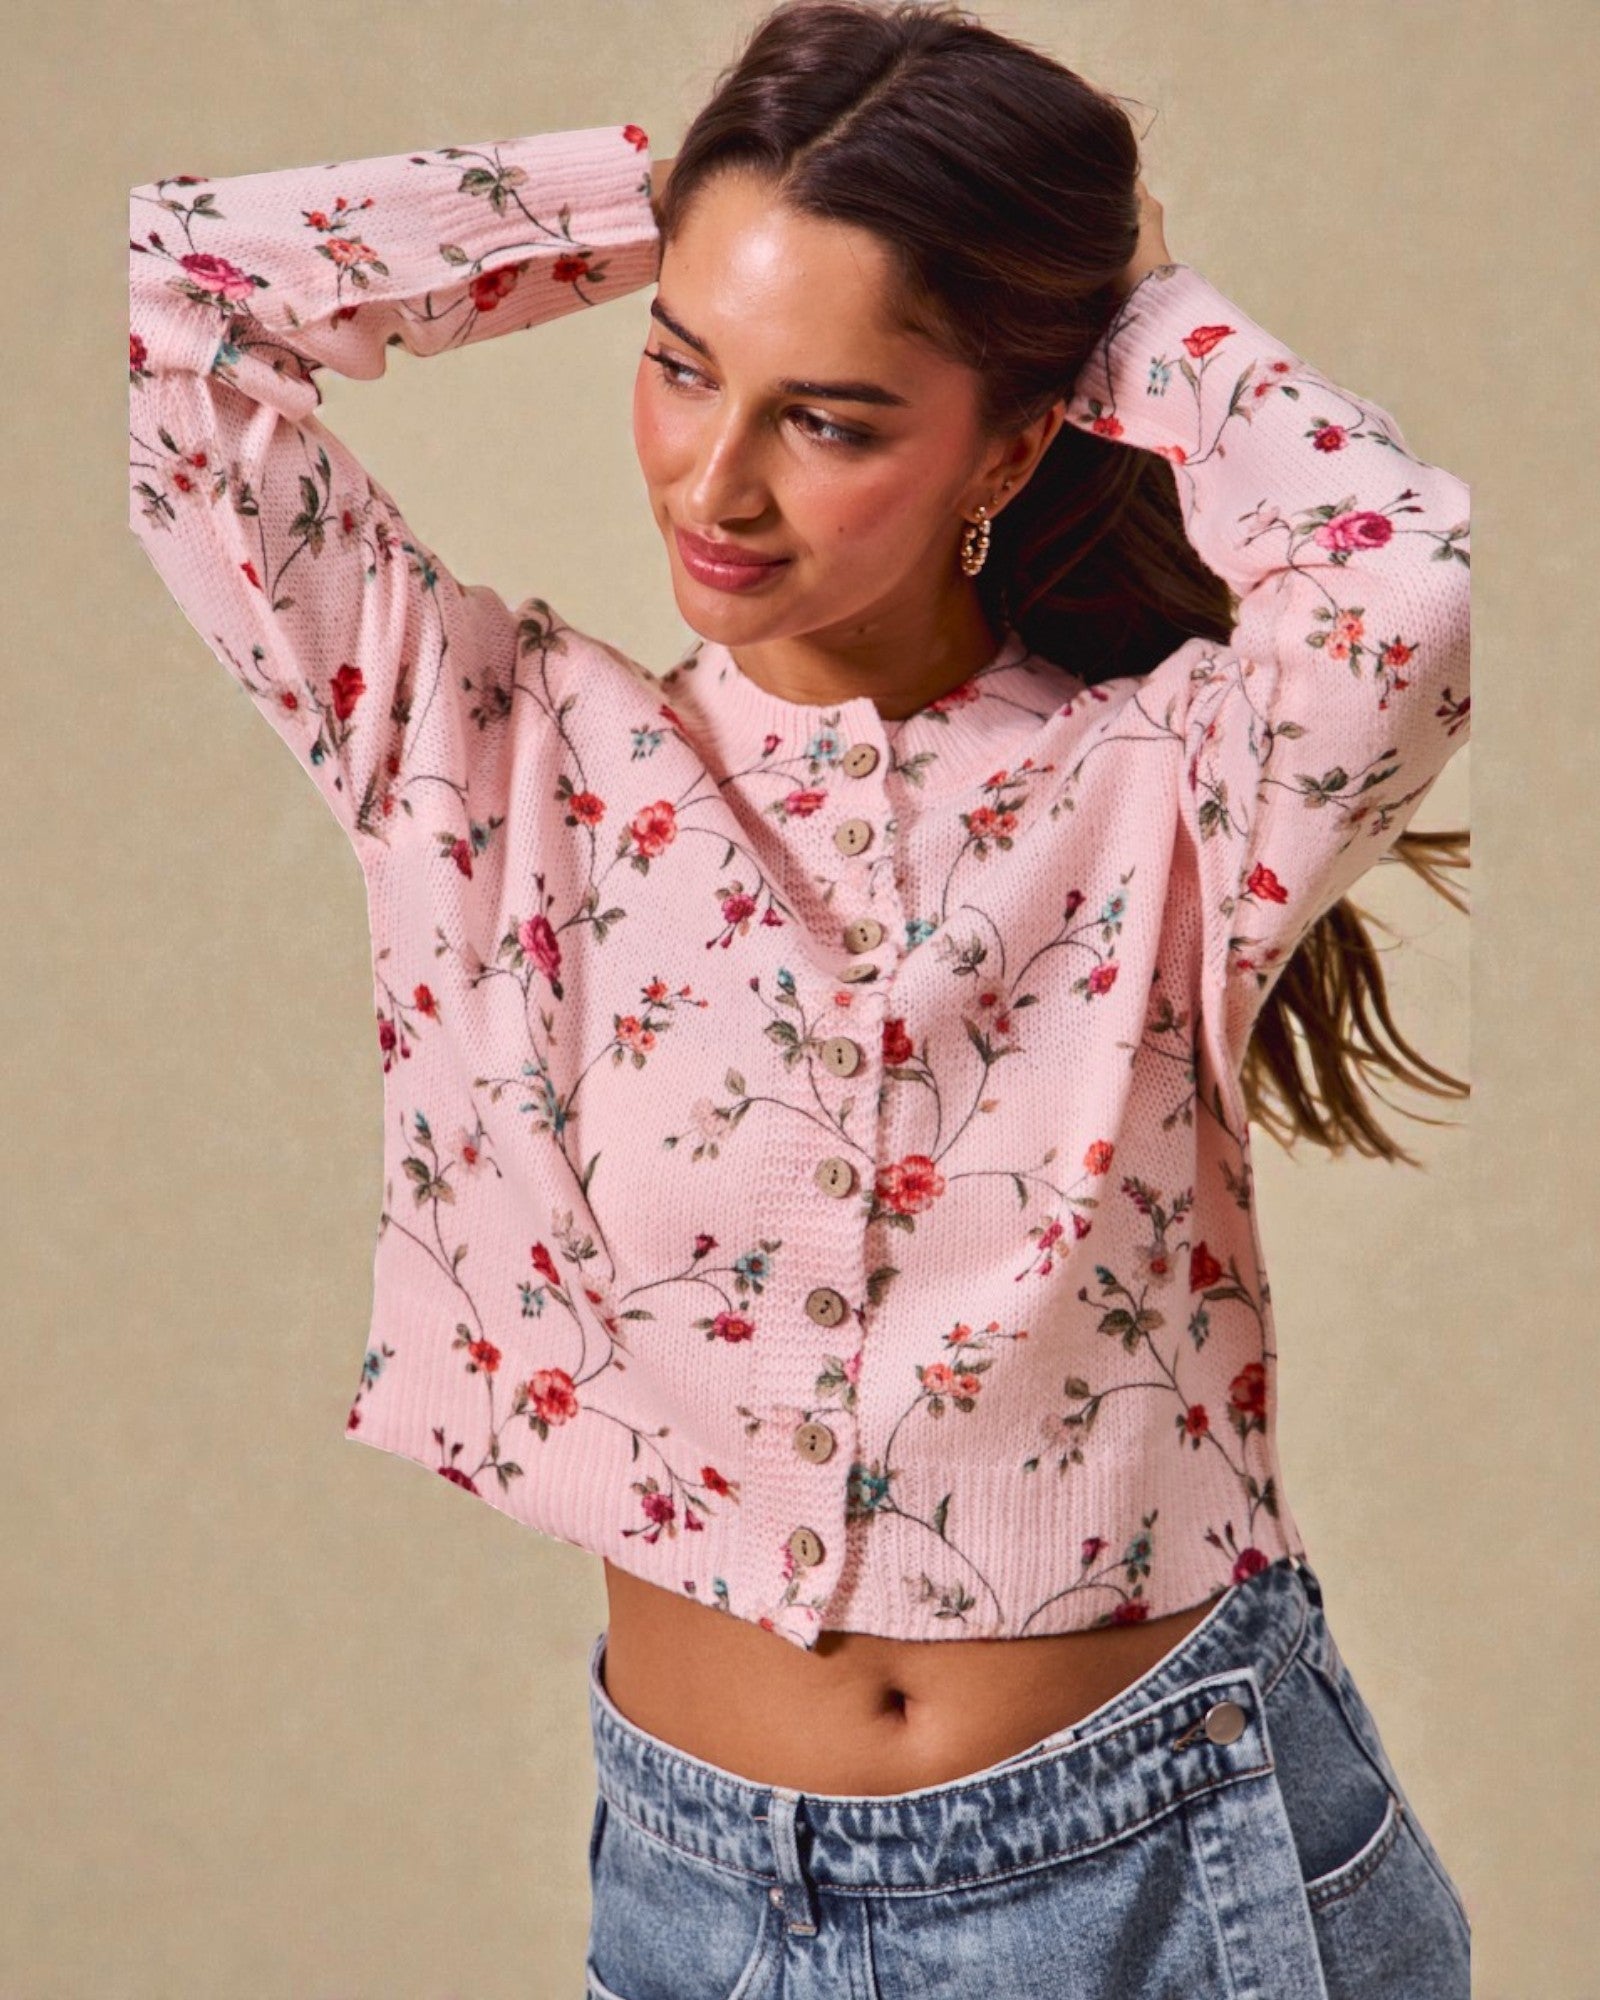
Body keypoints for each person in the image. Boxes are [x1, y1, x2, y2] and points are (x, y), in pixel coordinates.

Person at [127, 0, 1471, 1990]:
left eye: (827, 419)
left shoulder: (1169, 786)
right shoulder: (482, 752)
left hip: (1166, 1875)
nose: (715, 482)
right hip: (697, 1898)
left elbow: (1398, 585)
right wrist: (676, 201)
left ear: (1012, 440)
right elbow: (184, 309)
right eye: (682, 366)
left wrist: (1119, 302)